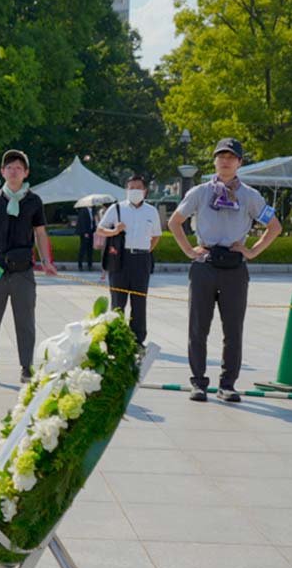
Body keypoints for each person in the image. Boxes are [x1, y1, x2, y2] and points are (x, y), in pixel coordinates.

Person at [168, 137, 281, 403]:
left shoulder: (250, 196)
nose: (225, 161)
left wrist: (252, 251)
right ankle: (198, 382)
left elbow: (274, 227)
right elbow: (175, 221)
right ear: (214, 160)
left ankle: (228, 384)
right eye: (221, 156)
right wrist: (188, 251)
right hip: (204, 265)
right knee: (198, 328)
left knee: (233, 329)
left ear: (240, 162)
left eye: (231, 157)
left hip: (234, 266)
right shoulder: (199, 192)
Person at [0, 149, 57, 385]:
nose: (13, 171)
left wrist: (46, 261)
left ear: (26, 172)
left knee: (25, 320)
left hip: (23, 270)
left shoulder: (33, 201)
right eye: (9, 167)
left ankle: (26, 367)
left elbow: (40, 233)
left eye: (18, 167)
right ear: (2, 172)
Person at [96, 174, 162, 343]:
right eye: (131, 188)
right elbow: (100, 229)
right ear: (126, 190)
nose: (134, 191)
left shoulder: (151, 211)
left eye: (138, 188)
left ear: (145, 191)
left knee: (139, 302)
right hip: (120, 259)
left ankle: (137, 339)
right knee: (118, 301)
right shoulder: (116, 208)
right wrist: (114, 231)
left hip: (141, 259)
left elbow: (156, 236)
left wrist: (145, 251)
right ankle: (115, 338)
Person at [75, 201, 96, 271]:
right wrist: (85, 232)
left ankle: (90, 265)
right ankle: (80, 265)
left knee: (90, 249)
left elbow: (93, 221)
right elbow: (82, 222)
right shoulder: (83, 211)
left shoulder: (93, 210)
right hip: (85, 232)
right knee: (83, 249)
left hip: (91, 232)